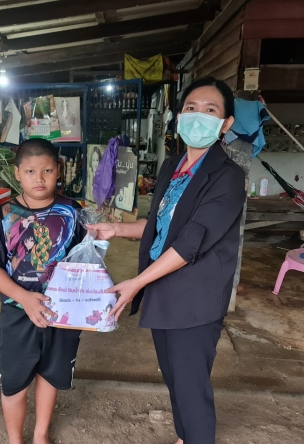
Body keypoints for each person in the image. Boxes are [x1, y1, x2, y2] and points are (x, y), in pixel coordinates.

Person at [88, 77, 246, 444]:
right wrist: (116, 229)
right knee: (175, 377)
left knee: (191, 385)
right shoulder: (173, 167)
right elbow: (162, 225)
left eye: (210, 110)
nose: (198, 115)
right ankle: (185, 436)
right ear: (178, 115)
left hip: (195, 298)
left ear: (226, 124)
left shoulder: (227, 176)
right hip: (163, 288)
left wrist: (136, 283)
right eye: (191, 108)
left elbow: (191, 242)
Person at [0, 138, 87, 444]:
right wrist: (25, 298)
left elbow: (85, 260)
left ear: (59, 171)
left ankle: (40, 434)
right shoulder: (3, 215)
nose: (39, 179)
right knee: (14, 383)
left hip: (60, 312)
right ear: (17, 173)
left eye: (47, 171)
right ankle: (15, 439)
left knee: (50, 375)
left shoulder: (72, 211)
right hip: (17, 313)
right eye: (30, 171)